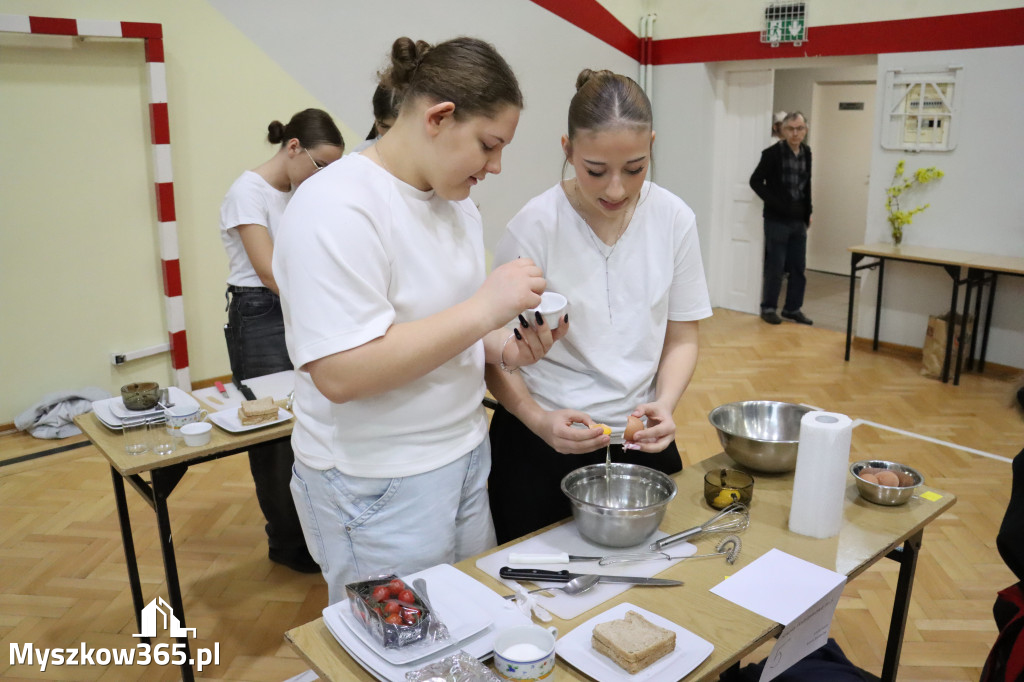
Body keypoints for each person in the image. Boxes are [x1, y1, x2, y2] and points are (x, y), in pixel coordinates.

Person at [272, 36, 567, 603]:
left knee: (461, 622)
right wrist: (485, 307)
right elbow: (341, 373)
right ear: (439, 117)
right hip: (377, 480)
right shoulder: (336, 206)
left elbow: (439, 328)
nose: (497, 166)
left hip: (461, 454)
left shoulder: (455, 203)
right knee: (396, 652)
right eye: (489, 145)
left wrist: (503, 346)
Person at [484, 69, 712, 544]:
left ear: (652, 144)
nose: (615, 190)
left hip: (638, 435)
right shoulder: (535, 226)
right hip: (542, 437)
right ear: (567, 149)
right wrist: (538, 419)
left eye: (635, 168)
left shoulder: (673, 219)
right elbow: (493, 352)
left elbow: (682, 334)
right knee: (537, 586)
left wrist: (665, 404)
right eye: (594, 170)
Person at [220, 108, 344, 573]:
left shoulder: (299, 191)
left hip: (297, 303)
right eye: (321, 165)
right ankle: (287, 545)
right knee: (273, 435)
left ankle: (315, 536)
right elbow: (270, 272)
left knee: (309, 419)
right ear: (293, 148)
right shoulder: (246, 192)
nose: (324, 177)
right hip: (261, 311)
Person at [750, 111, 813, 326]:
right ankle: (768, 307)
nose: (795, 133)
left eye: (800, 128)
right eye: (791, 129)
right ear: (782, 130)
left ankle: (793, 308)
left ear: (805, 130)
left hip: (799, 220)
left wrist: (808, 212)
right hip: (777, 220)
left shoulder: (807, 153)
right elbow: (755, 181)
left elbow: (807, 185)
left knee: (797, 267)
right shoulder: (772, 154)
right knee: (775, 267)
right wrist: (776, 203)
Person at [352, 84, 399, 153]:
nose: (390, 134)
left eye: (398, 128)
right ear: (375, 120)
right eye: (385, 126)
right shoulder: (362, 152)